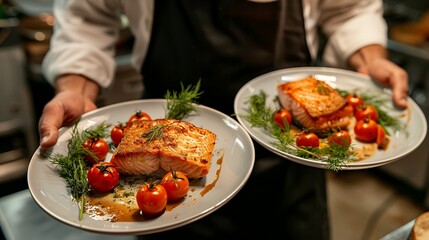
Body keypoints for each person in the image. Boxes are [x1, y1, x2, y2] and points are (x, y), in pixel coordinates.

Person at [38, 0, 409, 239]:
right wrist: (78, 87)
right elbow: (87, 20)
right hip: (168, 190)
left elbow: (349, 9)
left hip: (290, 160)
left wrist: (368, 58)